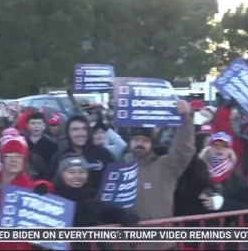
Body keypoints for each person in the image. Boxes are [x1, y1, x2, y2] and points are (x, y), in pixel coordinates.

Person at [125, 100, 194, 250]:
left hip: (162, 244)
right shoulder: (120, 169)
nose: (140, 143)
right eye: (136, 139)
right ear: (129, 142)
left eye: (145, 140)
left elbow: (183, 148)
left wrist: (185, 119)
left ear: (152, 143)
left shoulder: (165, 166)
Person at [53, 154, 138, 250]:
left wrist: (131, 228)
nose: (77, 176)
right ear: (61, 174)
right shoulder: (53, 198)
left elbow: (117, 213)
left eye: (82, 172)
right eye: (71, 172)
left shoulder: (92, 196)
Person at [0, 138, 53, 250]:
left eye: (19, 156)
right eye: (9, 155)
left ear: (24, 160)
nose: (14, 160)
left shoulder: (33, 189)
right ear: (2, 159)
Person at [48, 115, 116, 190]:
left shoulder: (104, 154)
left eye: (84, 129)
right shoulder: (59, 158)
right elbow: (50, 185)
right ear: (68, 133)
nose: (80, 133)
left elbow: (116, 179)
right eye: (75, 129)